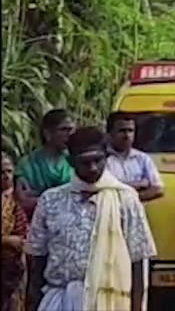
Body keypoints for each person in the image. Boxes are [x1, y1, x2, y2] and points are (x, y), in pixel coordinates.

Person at [24, 127, 157, 311]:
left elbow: (138, 260)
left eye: (97, 160)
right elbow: (37, 259)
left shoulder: (125, 198)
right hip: (59, 299)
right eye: (85, 162)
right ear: (70, 162)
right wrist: (32, 303)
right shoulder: (51, 200)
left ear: (107, 157)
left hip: (110, 301)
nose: (93, 168)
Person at [14, 111, 75, 216]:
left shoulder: (75, 160)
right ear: (48, 133)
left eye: (72, 130)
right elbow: (23, 202)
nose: (69, 135)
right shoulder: (28, 164)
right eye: (64, 130)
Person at [104, 113, 163, 203]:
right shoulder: (102, 159)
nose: (127, 136)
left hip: (136, 215)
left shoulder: (143, 159)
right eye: (122, 131)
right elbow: (104, 190)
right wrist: (139, 184)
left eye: (130, 131)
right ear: (109, 133)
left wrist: (126, 194)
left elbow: (158, 190)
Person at [2, 152, 29, 311]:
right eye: (1, 172)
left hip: (14, 265)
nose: (6, 176)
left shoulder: (16, 198)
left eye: (9, 171)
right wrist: (6, 240)